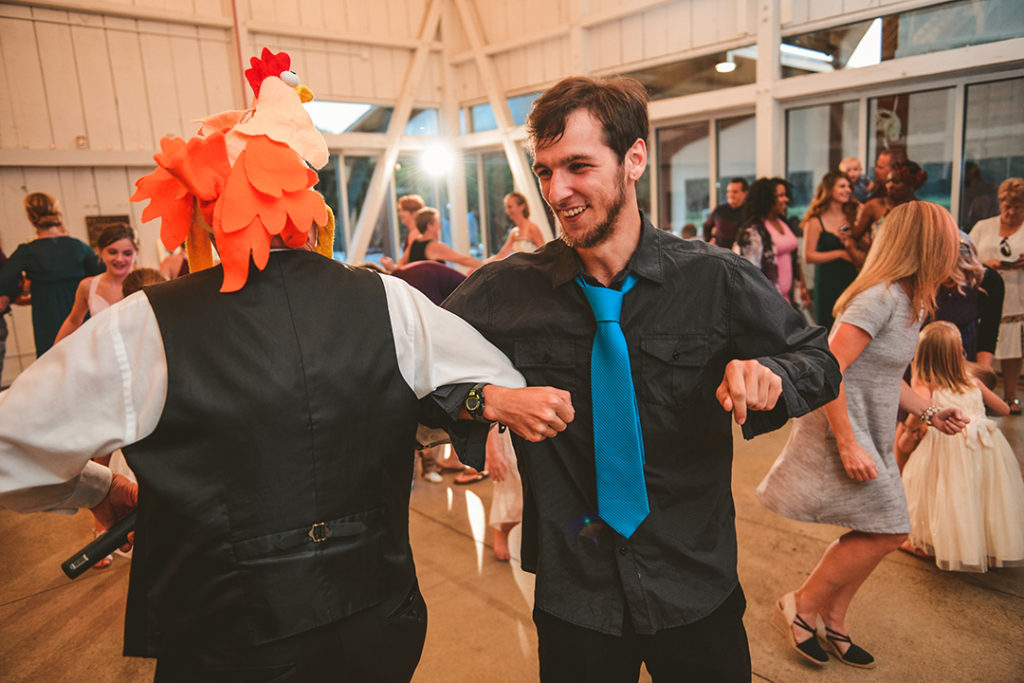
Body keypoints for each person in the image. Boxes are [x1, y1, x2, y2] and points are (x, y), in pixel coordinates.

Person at [0, 59, 574, 680]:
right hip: (374, 621)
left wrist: (100, 487)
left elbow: (11, 449)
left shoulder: (144, 326)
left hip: (227, 638)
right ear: (308, 205)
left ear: (206, 214)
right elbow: (486, 385)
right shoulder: (388, 302)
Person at [441, 75, 841, 682]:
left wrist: (774, 376)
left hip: (694, 583)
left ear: (635, 158)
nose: (558, 190)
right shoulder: (505, 289)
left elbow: (820, 357)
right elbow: (410, 373)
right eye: (545, 171)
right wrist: (488, 399)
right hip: (577, 598)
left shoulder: (716, 279)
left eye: (577, 165)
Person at [756, 201, 969, 669]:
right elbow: (827, 370)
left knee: (880, 528)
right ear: (928, 245)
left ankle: (833, 617)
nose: (956, 247)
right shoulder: (879, 298)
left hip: (870, 425)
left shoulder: (912, 300)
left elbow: (886, 377)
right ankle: (802, 604)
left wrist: (932, 411)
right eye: (950, 239)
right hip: (843, 428)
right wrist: (849, 443)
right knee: (891, 529)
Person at [900, 321, 1024, 571]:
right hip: (985, 447)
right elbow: (1002, 408)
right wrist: (977, 416)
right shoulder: (972, 380)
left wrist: (908, 431)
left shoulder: (925, 383)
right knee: (980, 495)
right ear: (959, 352)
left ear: (921, 354)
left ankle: (926, 543)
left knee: (945, 495)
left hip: (947, 449)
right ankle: (984, 545)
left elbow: (919, 412)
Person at [0, 192, 105, 356]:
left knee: (52, 358)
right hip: (79, 311)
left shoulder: (28, 251)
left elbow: (4, 280)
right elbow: (101, 273)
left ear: (31, 217)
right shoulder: (78, 246)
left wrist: (20, 288)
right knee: (85, 354)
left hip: (47, 315)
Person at [972, 178, 1024, 412]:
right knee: (984, 340)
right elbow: (966, 254)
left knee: (1013, 345)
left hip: (1017, 293)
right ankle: (982, 393)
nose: (1011, 212)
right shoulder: (984, 226)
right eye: (1006, 206)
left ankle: (1011, 395)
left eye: (1018, 207)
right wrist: (985, 263)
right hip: (987, 291)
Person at [54, 223, 139, 343]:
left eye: (127, 253)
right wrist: (53, 352)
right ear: (101, 251)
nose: (119, 259)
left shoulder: (146, 281)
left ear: (136, 253)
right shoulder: (87, 286)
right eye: (112, 252)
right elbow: (73, 321)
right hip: (104, 352)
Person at [801, 171, 861, 330]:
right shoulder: (814, 221)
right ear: (829, 189)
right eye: (842, 186)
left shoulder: (853, 215)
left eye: (849, 186)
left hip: (851, 278)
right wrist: (840, 254)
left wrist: (850, 241)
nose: (847, 190)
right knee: (828, 326)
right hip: (827, 282)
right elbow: (809, 256)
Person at [735, 177, 809, 307]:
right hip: (767, 303)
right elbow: (751, 273)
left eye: (785, 195)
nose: (786, 199)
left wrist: (802, 285)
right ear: (767, 199)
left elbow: (795, 260)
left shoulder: (783, 223)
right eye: (780, 196)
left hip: (788, 300)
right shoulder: (754, 231)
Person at [852, 158, 925, 246]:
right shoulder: (875, 206)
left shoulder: (922, 210)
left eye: (896, 182)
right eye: (888, 181)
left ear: (911, 184)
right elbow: (854, 238)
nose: (889, 186)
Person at [406, 207, 483, 272]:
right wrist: (487, 265)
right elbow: (463, 260)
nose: (440, 226)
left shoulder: (415, 242)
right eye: (437, 222)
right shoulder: (434, 246)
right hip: (430, 288)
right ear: (430, 226)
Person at [491, 191, 546, 259]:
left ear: (522, 207)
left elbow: (545, 254)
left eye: (510, 207)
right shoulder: (514, 232)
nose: (507, 211)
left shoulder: (532, 228)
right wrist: (481, 264)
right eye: (506, 208)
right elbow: (501, 255)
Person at [702, 177, 748, 248]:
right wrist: (708, 242)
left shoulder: (749, 212)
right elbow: (706, 226)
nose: (730, 195)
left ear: (745, 193)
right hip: (719, 254)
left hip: (740, 256)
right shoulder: (719, 210)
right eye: (728, 191)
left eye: (735, 192)